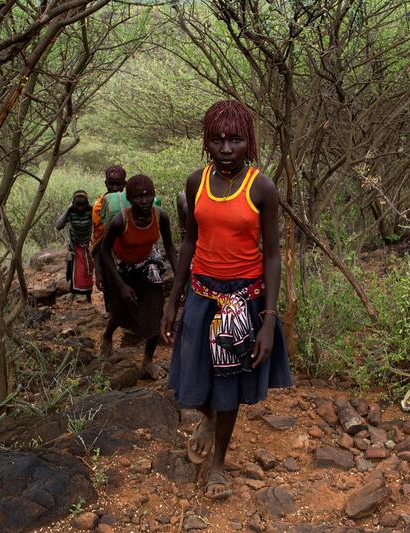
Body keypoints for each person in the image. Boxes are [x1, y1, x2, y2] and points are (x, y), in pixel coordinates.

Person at [161, 100, 292, 500]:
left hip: (243, 302)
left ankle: (218, 464)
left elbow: (271, 254)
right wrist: (173, 298)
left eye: (235, 139)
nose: (226, 148)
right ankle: (207, 419)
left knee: (229, 385)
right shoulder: (194, 182)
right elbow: (189, 241)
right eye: (217, 139)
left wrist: (268, 318)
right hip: (202, 296)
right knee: (197, 374)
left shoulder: (261, 187)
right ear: (207, 142)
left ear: (248, 141)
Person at [100, 174, 178, 379]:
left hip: (148, 263)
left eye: (149, 196)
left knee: (155, 308)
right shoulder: (120, 221)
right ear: (129, 198)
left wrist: (180, 278)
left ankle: (147, 361)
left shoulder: (160, 215)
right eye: (138, 197)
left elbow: (169, 246)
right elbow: (104, 251)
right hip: (124, 266)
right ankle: (108, 335)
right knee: (122, 307)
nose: (144, 201)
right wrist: (121, 284)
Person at [91, 165, 128, 290]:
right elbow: (97, 241)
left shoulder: (131, 202)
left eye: (119, 185)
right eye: (111, 185)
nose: (115, 189)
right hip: (108, 261)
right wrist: (97, 271)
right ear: (106, 183)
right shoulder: (98, 207)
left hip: (129, 257)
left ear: (125, 184)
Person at [55, 190, 94, 300]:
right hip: (74, 245)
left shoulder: (91, 211)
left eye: (83, 204)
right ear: (73, 203)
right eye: (78, 204)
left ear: (87, 203)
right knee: (72, 270)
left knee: (87, 271)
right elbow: (58, 226)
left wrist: (92, 208)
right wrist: (68, 209)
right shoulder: (71, 212)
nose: (80, 208)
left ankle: (88, 297)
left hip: (87, 245)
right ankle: (73, 293)